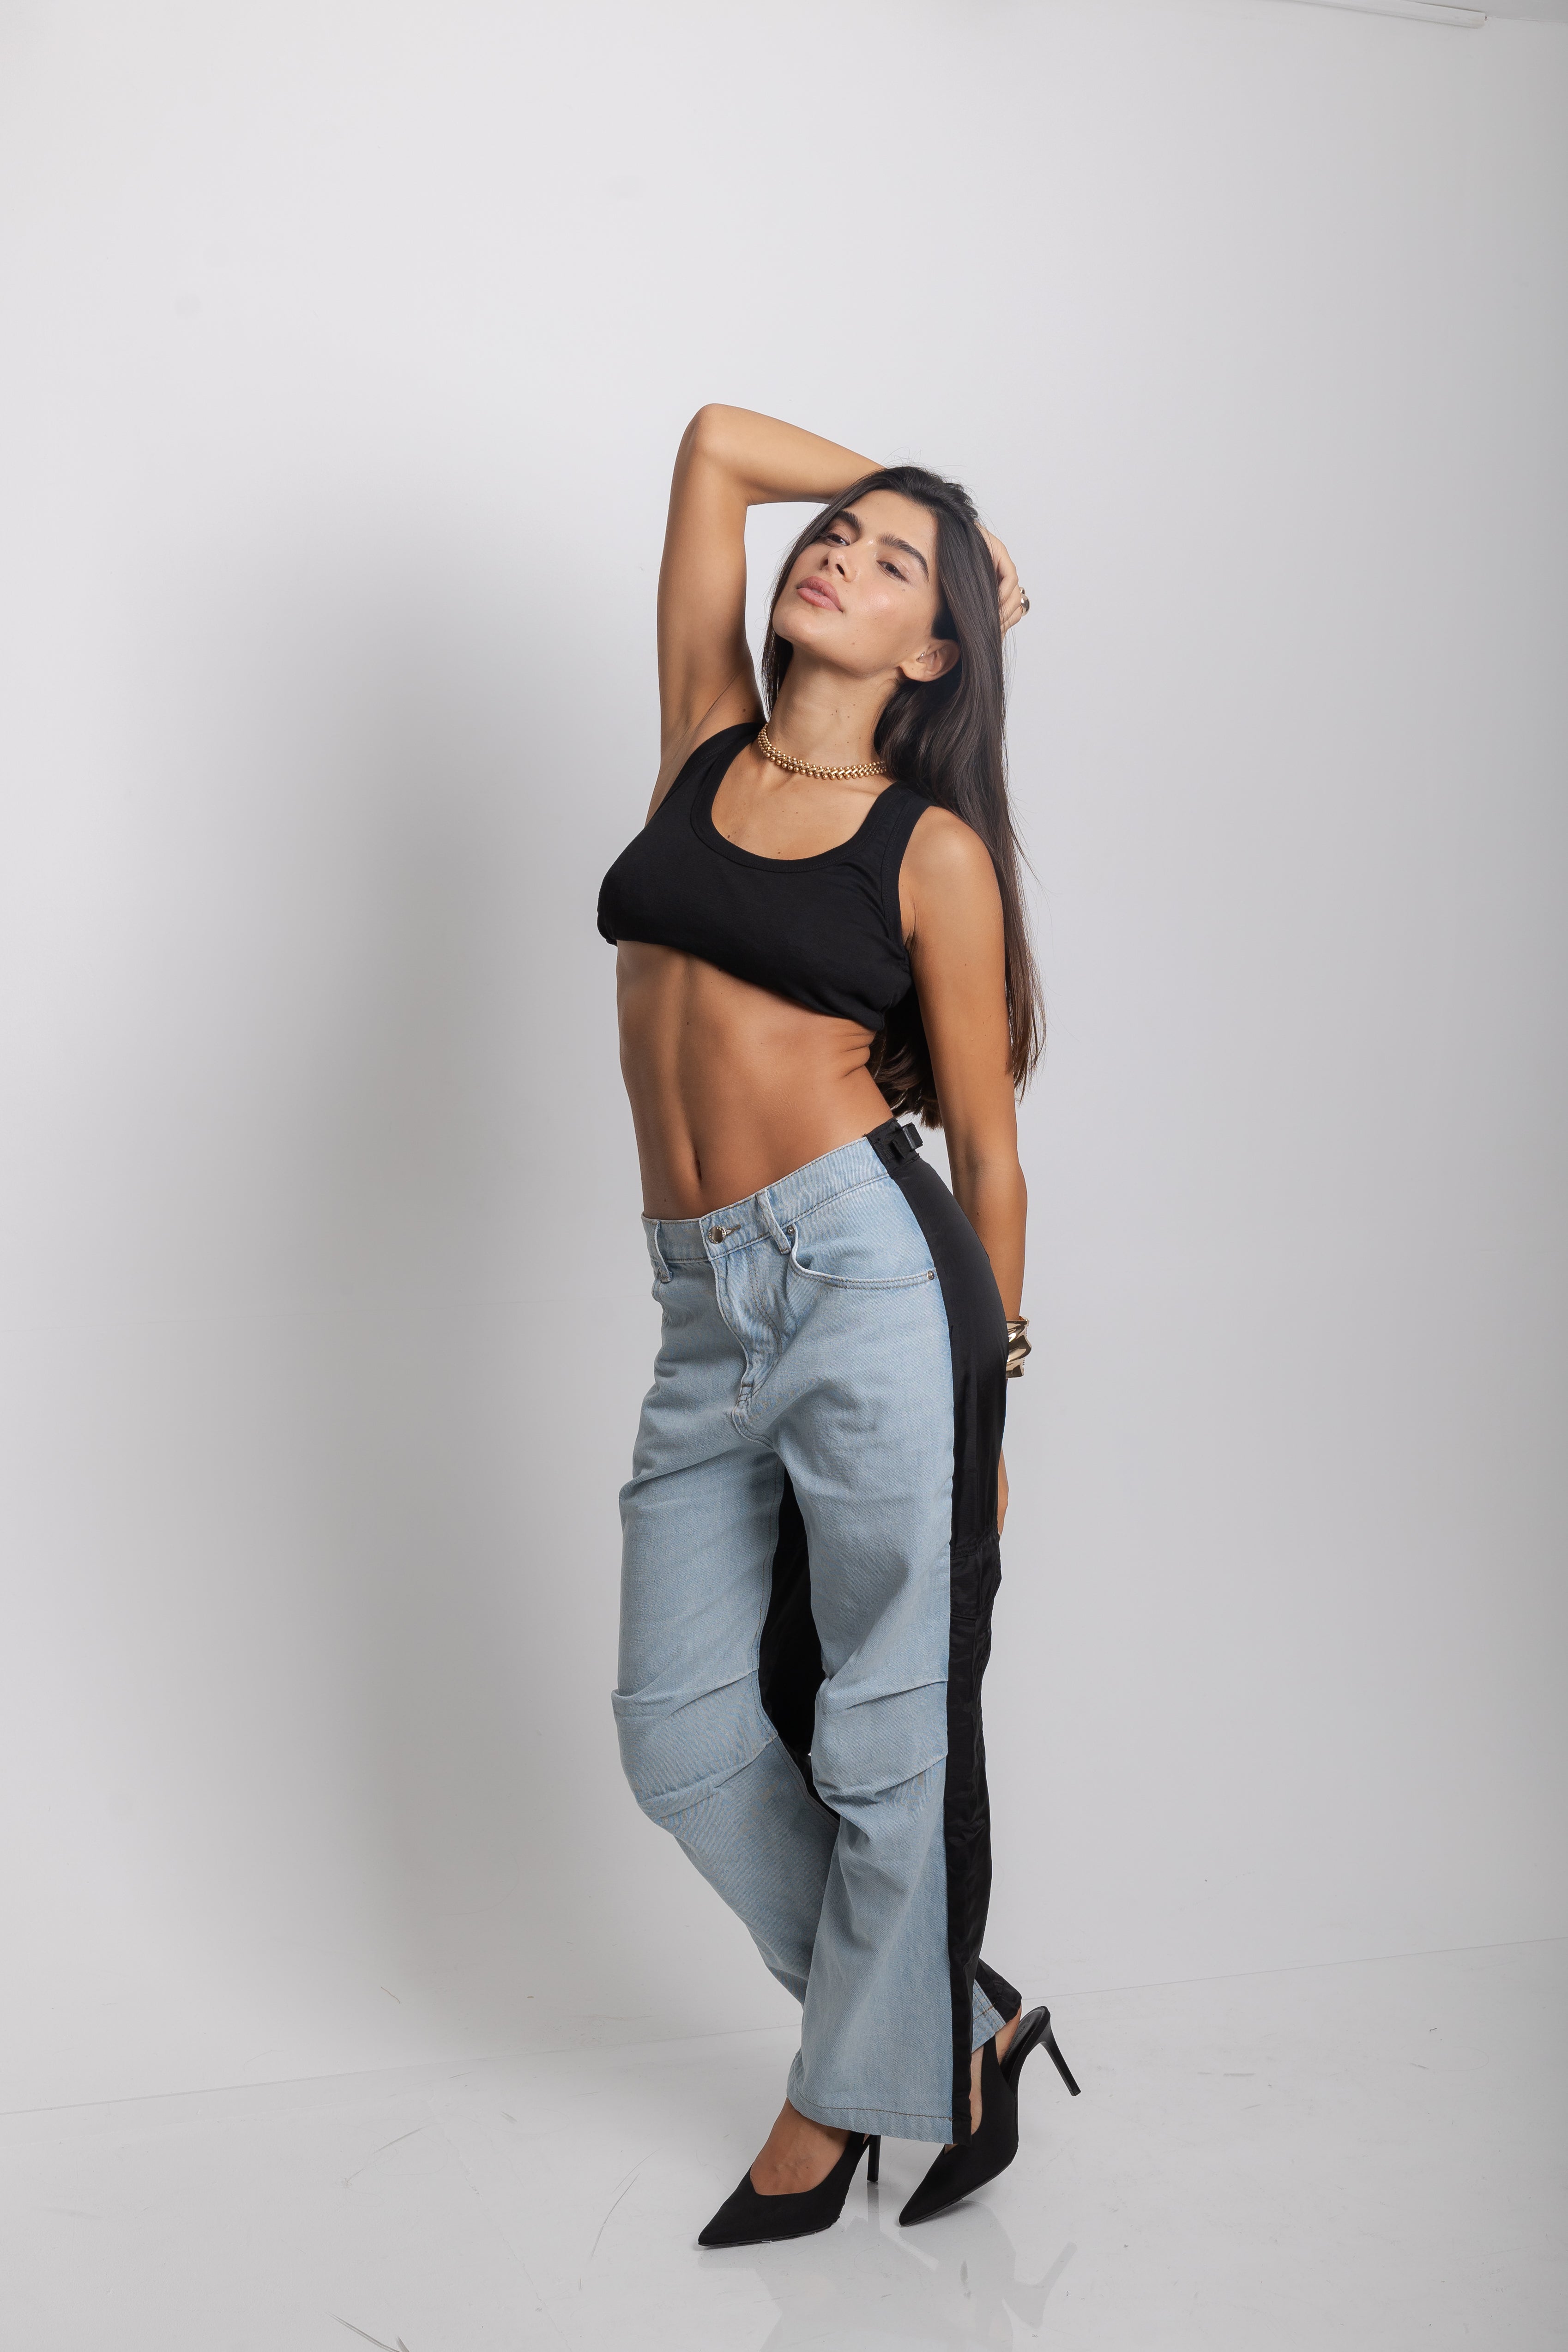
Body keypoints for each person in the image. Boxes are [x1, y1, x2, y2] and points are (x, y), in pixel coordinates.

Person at [597, 406, 1079, 2247]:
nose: (837, 556)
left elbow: (993, 1154)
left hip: (867, 1278)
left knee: (885, 1728)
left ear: (935, 654)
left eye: (892, 568)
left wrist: (997, 1402)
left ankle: (834, 2100)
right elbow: (720, 447)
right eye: (838, 537)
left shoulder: (929, 847)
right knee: (677, 1731)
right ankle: (952, 2027)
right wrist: (946, 520)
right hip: (699, 1303)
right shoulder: (698, 736)